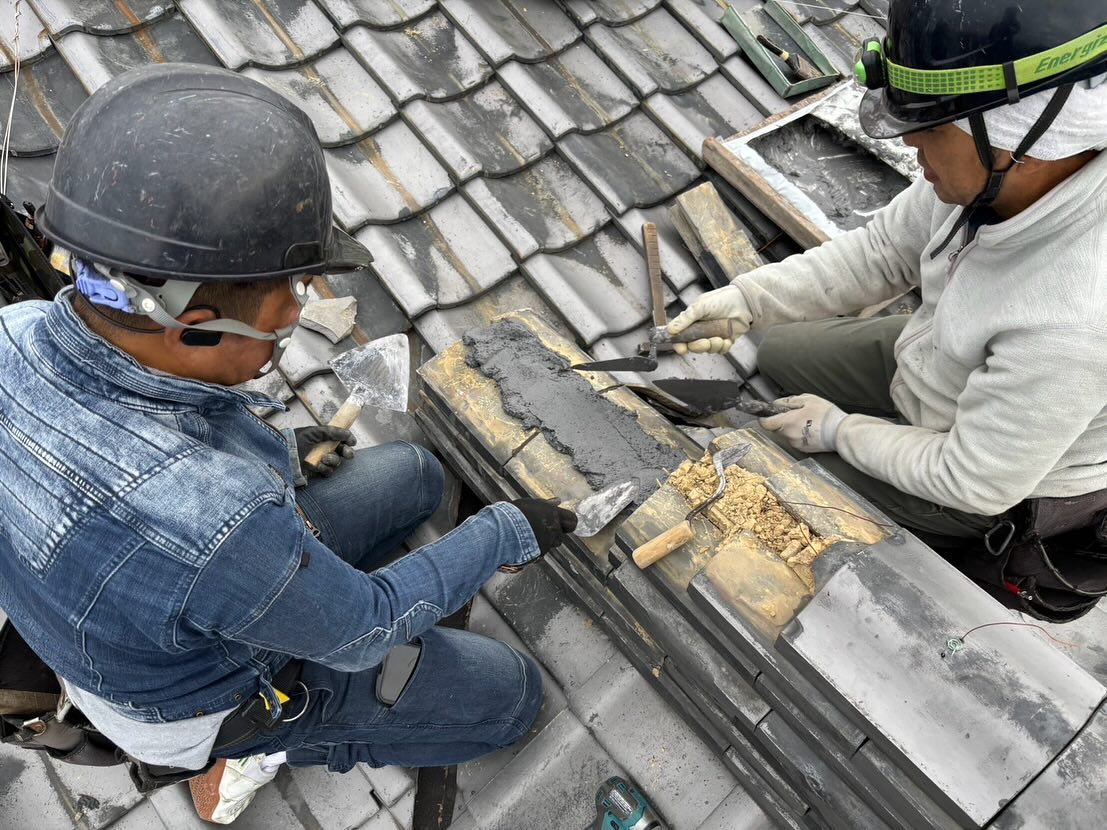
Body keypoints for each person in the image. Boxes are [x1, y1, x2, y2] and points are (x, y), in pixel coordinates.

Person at [0, 64, 577, 824]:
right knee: (509, 698)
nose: (302, 307)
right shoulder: (215, 523)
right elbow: (360, 630)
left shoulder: (18, 331)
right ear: (197, 323)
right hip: (200, 696)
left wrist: (262, 457)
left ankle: (285, 591)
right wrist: (504, 531)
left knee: (412, 474)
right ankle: (265, 740)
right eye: (294, 289)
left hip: (165, 591)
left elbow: (183, 515)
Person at [668, 1, 1107, 617]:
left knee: (765, 479)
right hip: (942, 362)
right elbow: (879, 253)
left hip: (984, 483)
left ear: (1025, 140)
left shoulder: (1077, 316)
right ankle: (878, 411)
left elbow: (972, 479)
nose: (907, 140)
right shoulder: (988, 174)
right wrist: (746, 300)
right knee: (775, 348)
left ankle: (910, 509)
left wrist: (839, 432)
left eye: (930, 126)